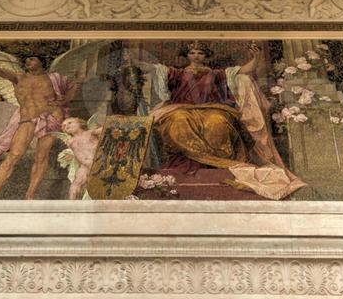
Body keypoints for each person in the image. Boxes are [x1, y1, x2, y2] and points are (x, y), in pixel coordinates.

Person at [127, 42, 304, 200]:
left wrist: (256, 57)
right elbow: (149, 68)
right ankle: (190, 159)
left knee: (218, 122)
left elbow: (244, 71)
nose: (196, 56)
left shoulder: (217, 74)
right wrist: (132, 58)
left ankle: (214, 163)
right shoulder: (176, 73)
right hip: (181, 108)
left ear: (206, 56)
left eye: (200, 53)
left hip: (213, 108)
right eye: (193, 52)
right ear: (187, 55)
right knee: (178, 120)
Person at [0, 53, 87, 200]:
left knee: (41, 157)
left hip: (51, 118)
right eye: (26, 60)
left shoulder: (54, 78)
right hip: (27, 119)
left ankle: (29, 196)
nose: (27, 62)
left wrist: (65, 99)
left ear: (41, 62)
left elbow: (73, 86)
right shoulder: (19, 77)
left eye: (32, 59)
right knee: (14, 155)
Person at [58, 117, 104, 200]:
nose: (66, 125)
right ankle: (72, 203)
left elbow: (102, 130)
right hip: (85, 165)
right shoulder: (71, 141)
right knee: (77, 182)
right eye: (64, 126)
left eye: (70, 122)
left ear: (80, 123)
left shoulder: (89, 133)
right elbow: (77, 154)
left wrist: (109, 125)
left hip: (98, 161)